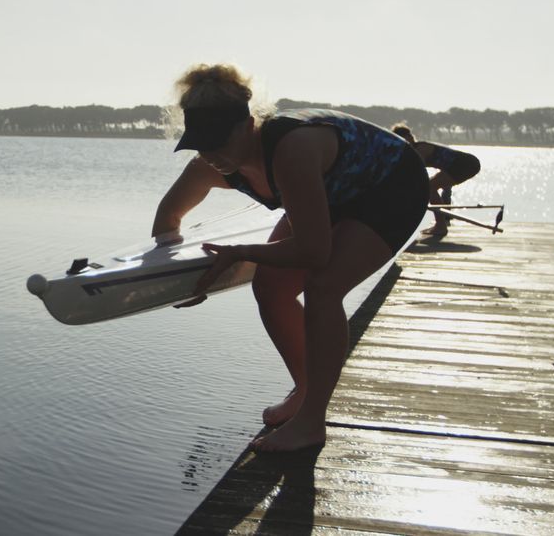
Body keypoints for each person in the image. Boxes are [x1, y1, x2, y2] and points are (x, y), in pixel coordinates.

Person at [152, 64, 428, 452]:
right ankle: (304, 391)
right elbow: (169, 217)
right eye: (200, 142)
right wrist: (174, 278)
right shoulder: (211, 165)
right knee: (270, 287)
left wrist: (239, 253)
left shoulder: (291, 151)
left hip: (392, 186)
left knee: (324, 287)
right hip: (333, 191)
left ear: (248, 127)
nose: (210, 154)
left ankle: (312, 423)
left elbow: (315, 252)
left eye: (218, 141)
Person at [391, 124, 481, 238]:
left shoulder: (420, 149)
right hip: (458, 166)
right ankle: (441, 223)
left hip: (466, 164)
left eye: (408, 137)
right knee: (430, 186)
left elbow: (417, 172)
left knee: (430, 188)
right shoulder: (413, 150)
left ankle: (441, 226)